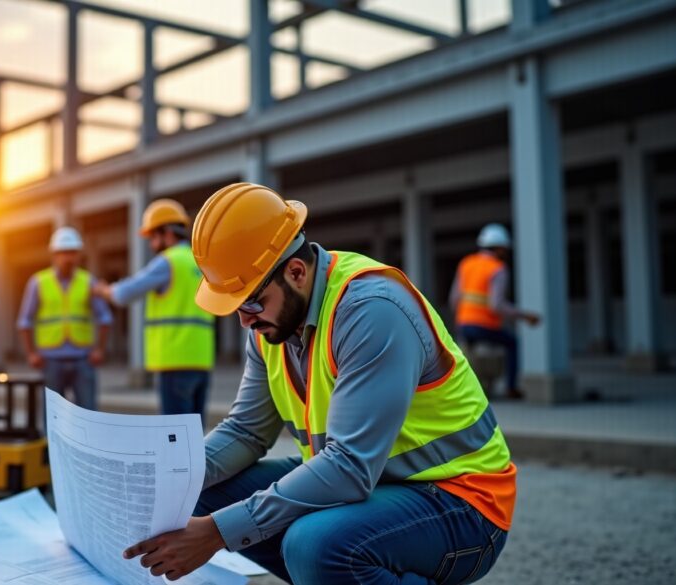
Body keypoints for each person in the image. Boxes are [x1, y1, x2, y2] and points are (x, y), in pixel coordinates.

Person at [124, 183, 515, 584]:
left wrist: (217, 533)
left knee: (313, 547)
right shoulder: (270, 326)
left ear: (296, 271)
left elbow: (348, 466)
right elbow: (245, 431)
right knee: (196, 497)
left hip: (461, 501)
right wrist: (168, 478)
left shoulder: (370, 310)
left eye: (250, 302)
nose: (244, 319)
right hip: (376, 484)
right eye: (235, 307)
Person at [92, 199, 215, 418]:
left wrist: (104, 291)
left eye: (152, 237)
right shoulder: (200, 263)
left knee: (175, 435)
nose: (151, 244)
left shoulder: (168, 261)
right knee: (194, 434)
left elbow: (125, 293)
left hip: (175, 362)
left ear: (166, 233)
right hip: (202, 360)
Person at [17, 226, 112, 411]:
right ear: (54, 255)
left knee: (88, 414)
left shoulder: (88, 281)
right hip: (50, 360)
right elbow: (25, 321)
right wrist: (31, 353)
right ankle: (52, 442)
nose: (68, 258)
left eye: (72, 253)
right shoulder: (38, 282)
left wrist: (99, 350)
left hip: (83, 359)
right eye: (63, 253)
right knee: (53, 416)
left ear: (78, 255)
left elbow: (105, 318)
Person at [450, 223, 541, 399]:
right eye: (505, 249)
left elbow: (454, 299)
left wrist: (461, 321)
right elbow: (496, 305)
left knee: (467, 356)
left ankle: (469, 390)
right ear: (499, 248)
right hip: (484, 325)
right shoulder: (498, 268)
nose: (506, 253)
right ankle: (511, 388)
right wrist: (524, 316)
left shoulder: (466, 263)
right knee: (513, 343)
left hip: (464, 324)